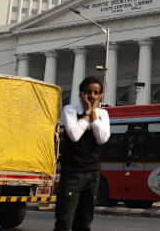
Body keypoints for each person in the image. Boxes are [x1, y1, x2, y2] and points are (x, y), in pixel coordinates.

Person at [54, 76, 111, 231]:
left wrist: (94, 116)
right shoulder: (70, 110)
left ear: (100, 96)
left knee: (84, 222)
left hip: (92, 174)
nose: (92, 96)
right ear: (81, 93)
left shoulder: (103, 114)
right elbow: (74, 135)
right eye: (88, 92)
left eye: (96, 93)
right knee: (64, 221)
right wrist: (87, 114)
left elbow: (102, 138)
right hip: (72, 173)